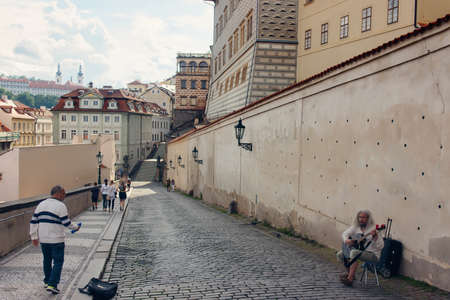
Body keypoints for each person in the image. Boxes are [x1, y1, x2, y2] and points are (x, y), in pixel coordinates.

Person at [29, 185, 80, 295]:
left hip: (44, 239)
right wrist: (76, 227)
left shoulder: (41, 204)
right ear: (58, 193)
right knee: (58, 261)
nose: (64, 196)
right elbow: (66, 223)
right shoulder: (61, 206)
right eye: (63, 194)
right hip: (56, 239)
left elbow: (33, 222)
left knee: (47, 260)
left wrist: (34, 237)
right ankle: (52, 284)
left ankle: (47, 281)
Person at [336, 210, 384, 286]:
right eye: (360, 217)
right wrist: (347, 240)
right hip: (360, 251)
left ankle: (350, 279)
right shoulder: (356, 227)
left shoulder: (373, 229)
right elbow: (344, 234)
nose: (361, 219)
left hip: (372, 254)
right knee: (340, 254)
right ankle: (350, 274)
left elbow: (381, 246)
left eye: (364, 217)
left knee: (354, 253)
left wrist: (375, 237)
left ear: (368, 218)